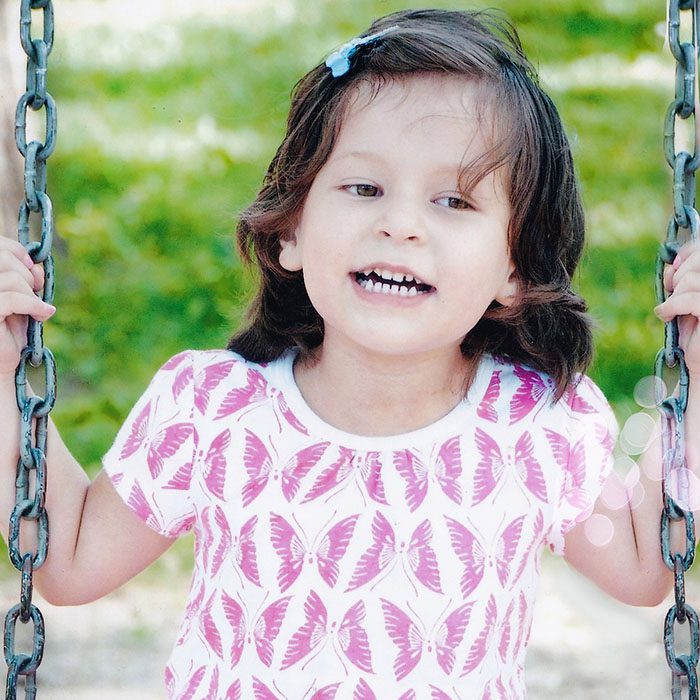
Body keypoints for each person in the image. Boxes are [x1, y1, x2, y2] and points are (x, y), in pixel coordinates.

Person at [0, 7, 697, 700]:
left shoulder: (535, 424)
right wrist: (6, 373)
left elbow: (647, 564)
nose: (400, 224)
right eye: (364, 188)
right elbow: (67, 561)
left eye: (454, 201)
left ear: (515, 267)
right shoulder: (213, 409)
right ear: (291, 230)